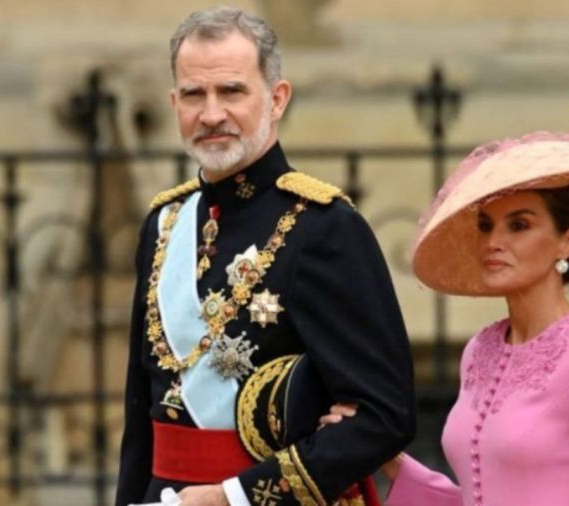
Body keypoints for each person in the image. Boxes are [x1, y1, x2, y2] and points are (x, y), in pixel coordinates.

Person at [115, 6, 416, 506]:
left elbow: (386, 415)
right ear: (174, 103)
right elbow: (140, 415)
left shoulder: (323, 228)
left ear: (277, 99)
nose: (211, 114)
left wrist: (235, 496)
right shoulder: (164, 224)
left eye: (232, 91)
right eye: (194, 94)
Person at [322, 132, 569, 505]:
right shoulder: (479, 351)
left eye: (519, 225)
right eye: (486, 225)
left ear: (568, 242)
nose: (494, 241)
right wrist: (388, 460)